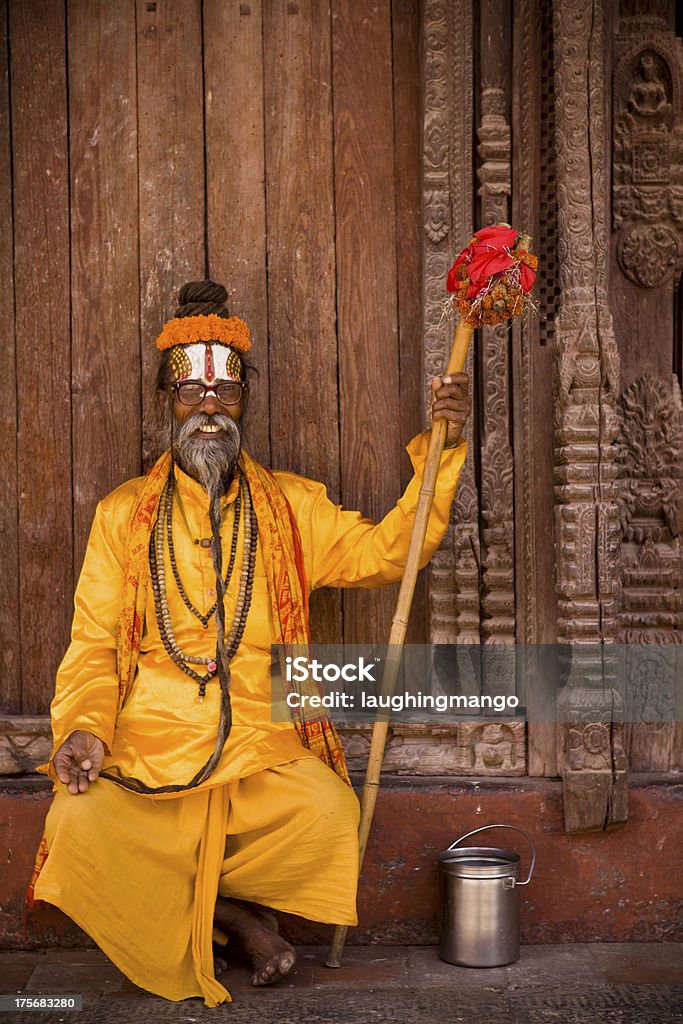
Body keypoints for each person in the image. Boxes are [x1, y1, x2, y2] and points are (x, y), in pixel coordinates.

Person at [27, 280, 471, 1006]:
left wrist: (441, 450)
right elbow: (93, 645)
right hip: (148, 749)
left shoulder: (292, 507)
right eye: (191, 394)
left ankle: (210, 915)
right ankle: (236, 919)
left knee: (329, 817)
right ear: (167, 400)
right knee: (77, 823)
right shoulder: (121, 515)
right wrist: (84, 728)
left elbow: (393, 549)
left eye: (224, 396)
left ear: (244, 402)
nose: (208, 409)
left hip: (261, 747)